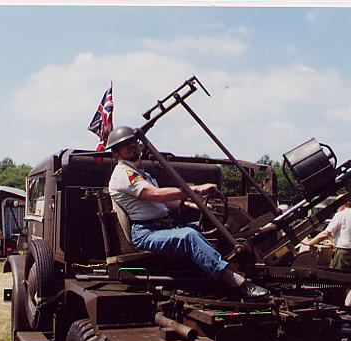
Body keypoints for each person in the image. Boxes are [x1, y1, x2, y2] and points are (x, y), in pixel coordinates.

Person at [106, 126, 269, 300]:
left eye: (133, 142)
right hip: (145, 233)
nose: (133, 146)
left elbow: (166, 203)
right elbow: (157, 195)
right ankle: (238, 283)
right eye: (126, 145)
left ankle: (233, 270)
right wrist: (195, 189)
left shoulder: (139, 173)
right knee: (188, 236)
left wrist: (197, 206)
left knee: (211, 229)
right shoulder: (124, 174)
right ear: (116, 152)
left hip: (161, 227)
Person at [303, 197, 351, 308]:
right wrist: (333, 244)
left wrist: (309, 243)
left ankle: (337, 308)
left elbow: (325, 233)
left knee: (335, 282)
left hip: (343, 254)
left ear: (342, 205)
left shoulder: (340, 215)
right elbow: (350, 237)